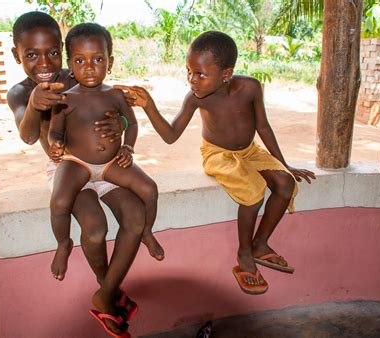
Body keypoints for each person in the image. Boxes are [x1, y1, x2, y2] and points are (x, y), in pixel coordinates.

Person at [116, 31, 316, 295]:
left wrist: (284, 164)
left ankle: (260, 243)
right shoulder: (197, 98)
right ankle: (244, 253)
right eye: (189, 71)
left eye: (200, 74)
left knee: (284, 183)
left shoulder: (251, 88)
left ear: (226, 73)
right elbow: (170, 135)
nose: (192, 80)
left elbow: (264, 127)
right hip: (217, 155)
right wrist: (149, 105)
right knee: (253, 192)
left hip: (250, 151)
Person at [8, 12, 141, 335]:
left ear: (63, 51)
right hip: (68, 170)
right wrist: (37, 104)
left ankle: (106, 295)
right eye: (31, 55)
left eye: (53, 52)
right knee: (95, 229)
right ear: (16, 55)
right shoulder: (20, 93)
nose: (45, 62)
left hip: (104, 167)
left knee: (136, 216)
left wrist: (120, 125)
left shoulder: (80, 73)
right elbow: (28, 136)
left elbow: (118, 112)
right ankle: (106, 289)